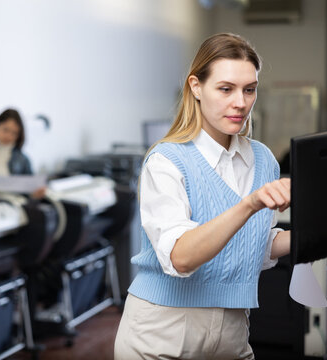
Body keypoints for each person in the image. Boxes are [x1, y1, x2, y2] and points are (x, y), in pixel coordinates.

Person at [114, 33, 291, 360]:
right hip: (161, 332)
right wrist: (250, 203)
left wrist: (323, 231)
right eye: (226, 89)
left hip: (233, 331)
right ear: (196, 87)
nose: (240, 102)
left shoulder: (264, 160)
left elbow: (254, 244)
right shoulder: (167, 161)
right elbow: (181, 256)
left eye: (249, 90)